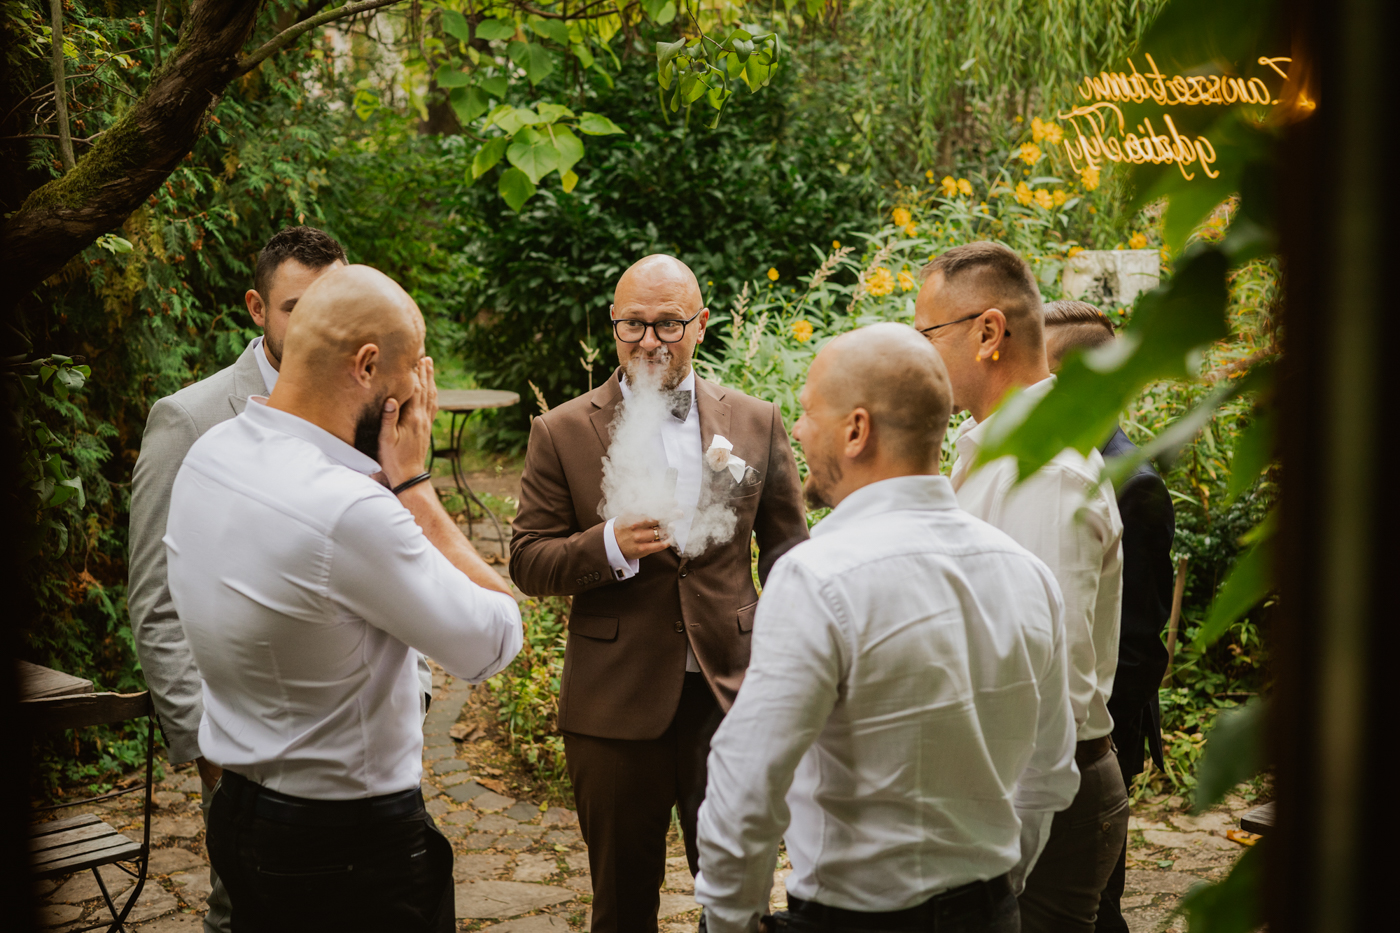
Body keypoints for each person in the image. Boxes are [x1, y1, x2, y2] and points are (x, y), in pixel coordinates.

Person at [164, 265, 522, 932]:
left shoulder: (211, 454)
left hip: (240, 818)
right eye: (415, 371)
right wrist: (415, 486)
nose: (420, 394)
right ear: (367, 366)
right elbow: (495, 638)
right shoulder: (347, 508)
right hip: (346, 852)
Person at [694, 323, 1078, 933]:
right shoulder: (1029, 575)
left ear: (856, 430)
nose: (798, 431)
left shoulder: (817, 577)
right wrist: (998, 894)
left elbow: (748, 784)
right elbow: (1049, 774)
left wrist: (728, 922)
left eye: (808, 412)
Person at [510, 254, 808, 932]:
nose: (649, 341)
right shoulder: (561, 431)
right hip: (614, 705)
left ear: (700, 325)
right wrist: (608, 545)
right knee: (621, 905)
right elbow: (527, 561)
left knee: (739, 904)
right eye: (633, 325)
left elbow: (790, 552)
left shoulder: (755, 421)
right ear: (614, 325)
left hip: (730, 697)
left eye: (668, 324)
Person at [128, 225, 346, 933]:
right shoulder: (188, 420)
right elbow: (156, 601)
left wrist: (416, 691)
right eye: (296, 308)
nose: (317, 326)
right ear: (257, 307)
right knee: (248, 911)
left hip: (358, 747)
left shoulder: (363, 408)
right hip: (244, 749)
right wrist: (204, 747)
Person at [914, 242, 1127, 933]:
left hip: (1043, 804)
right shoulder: (998, 451)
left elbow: (1048, 690)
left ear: (988, 332)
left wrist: (1000, 864)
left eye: (928, 334)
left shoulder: (1046, 474)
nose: (921, 355)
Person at [1043, 301, 1175, 933]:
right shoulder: (1056, 462)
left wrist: (1096, 744)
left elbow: (1139, 646)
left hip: (1100, 737)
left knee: (1097, 906)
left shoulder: (1132, 482)